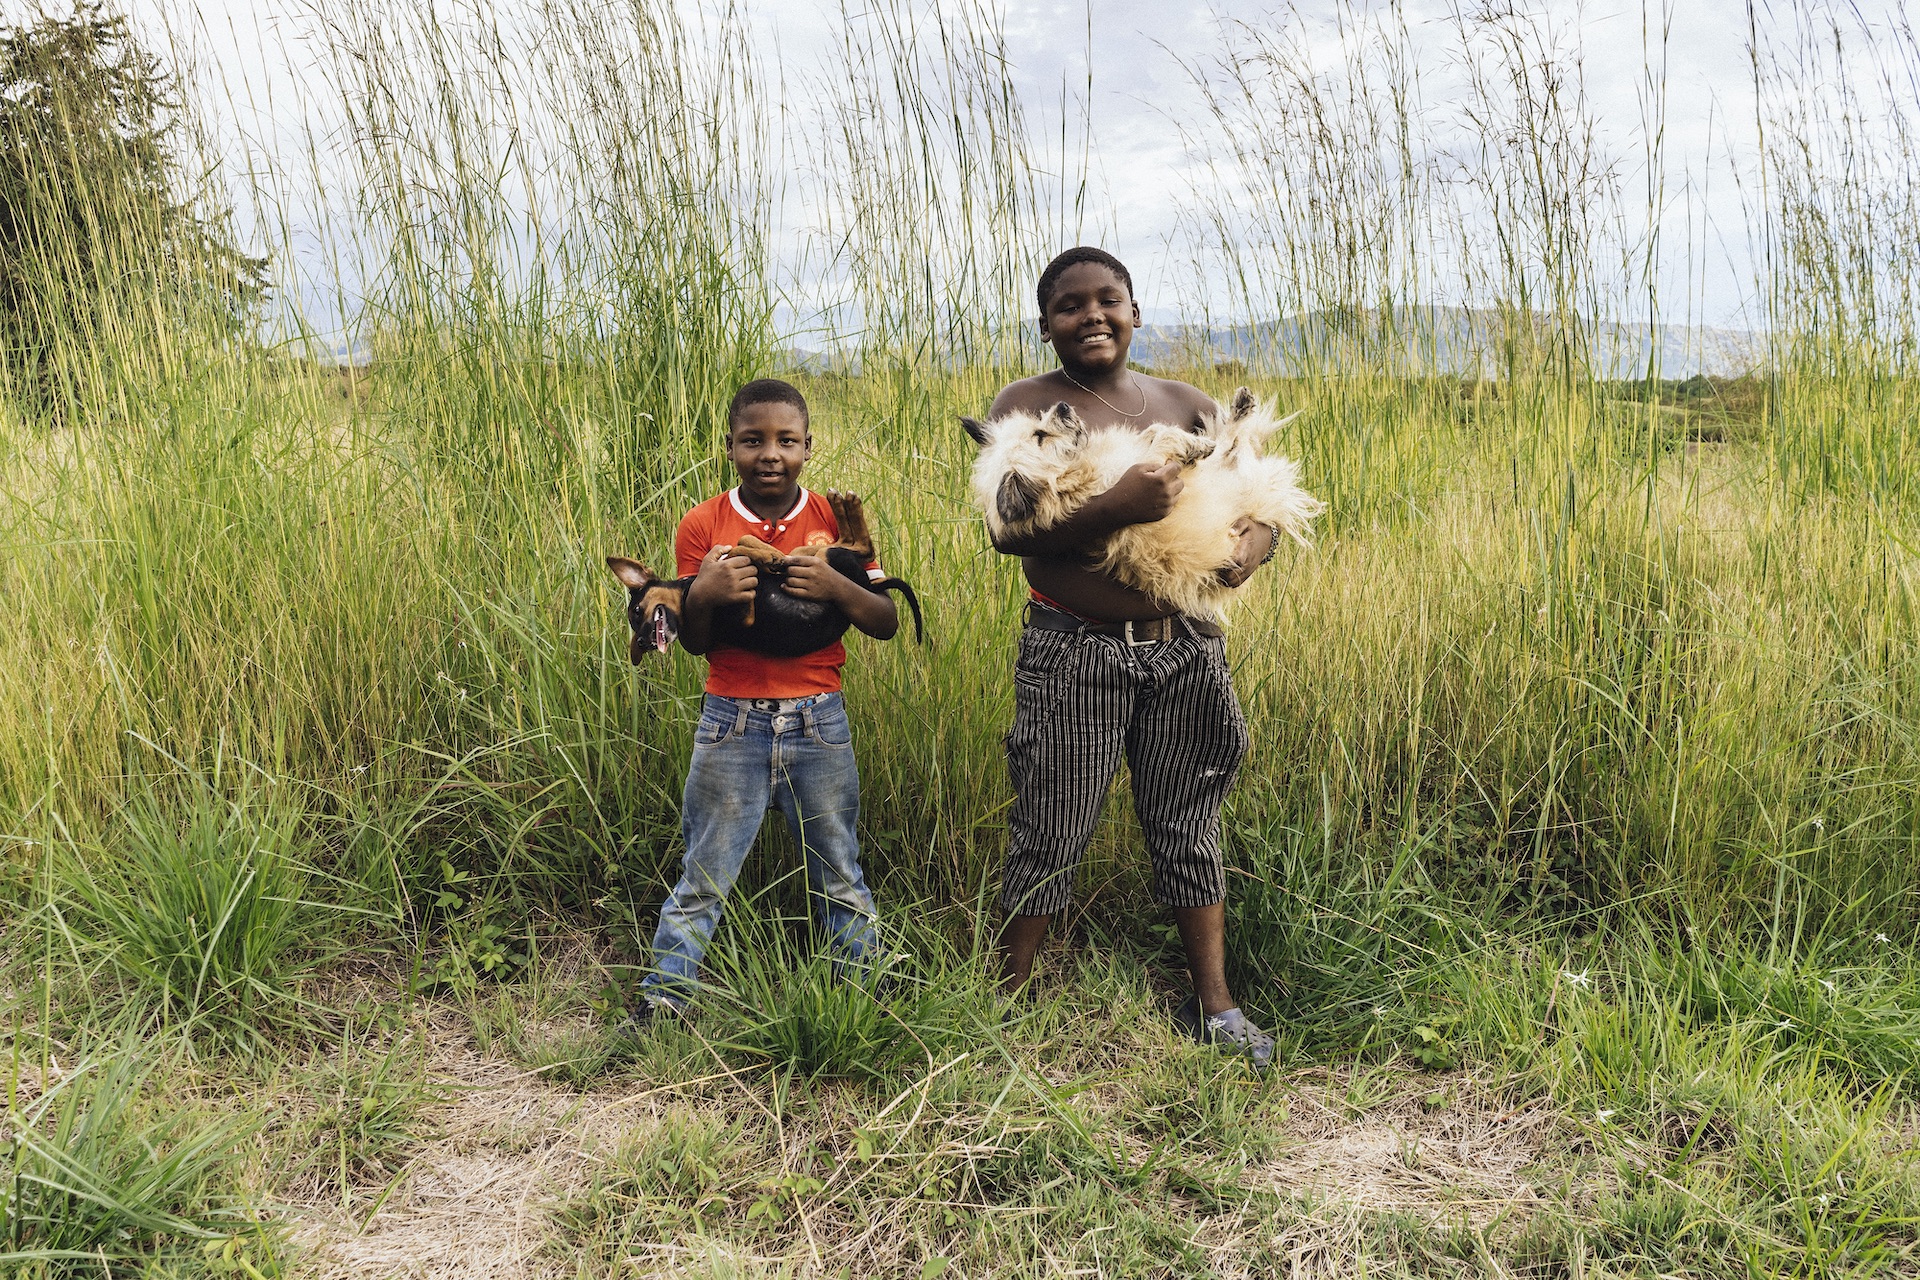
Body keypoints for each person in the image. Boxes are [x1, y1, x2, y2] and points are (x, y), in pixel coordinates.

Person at [984, 246, 1280, 1066]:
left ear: (1136, 311)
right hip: (1075, 655)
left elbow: (1257, 501)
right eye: (1069, 305)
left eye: (1108, 299)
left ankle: (1215, 1004)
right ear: (1045, 326)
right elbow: (1009, 530)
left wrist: (1255, 542)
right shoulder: (1027, 407)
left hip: (1185, 653)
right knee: (1052, 825)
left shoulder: (1184, 403)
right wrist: (1116, 505)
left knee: (1188, 821)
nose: (1092, 315)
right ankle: (1007, 1003)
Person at [632, 378, 900, 1021]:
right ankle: (663, 1001)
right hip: (732, 720)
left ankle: (862, 995)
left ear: (809, 446)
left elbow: (885, 619)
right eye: (752, 441)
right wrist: (704, 592)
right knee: (704, 873)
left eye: (786, 440)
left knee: (839, 868)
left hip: (819, 719)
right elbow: (694, 643)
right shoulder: (703, 523)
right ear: (729, 449)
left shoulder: (833, 521)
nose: (770, 453)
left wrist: (836, 586)